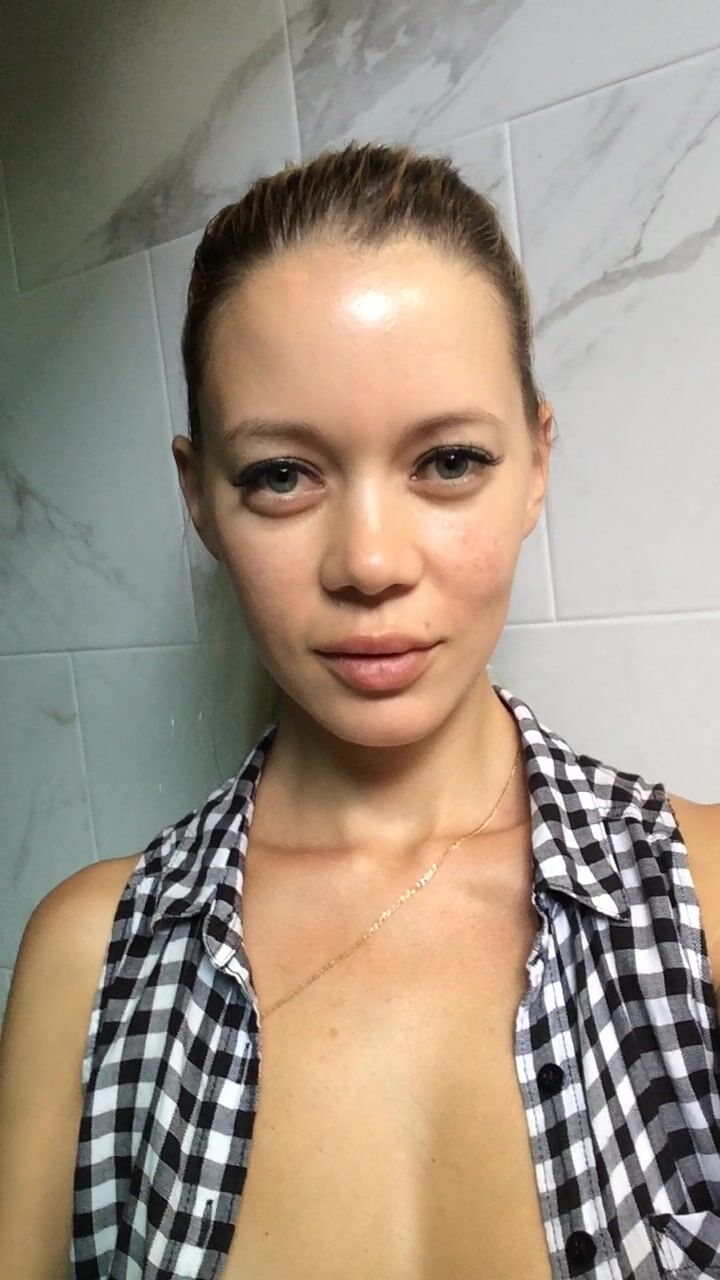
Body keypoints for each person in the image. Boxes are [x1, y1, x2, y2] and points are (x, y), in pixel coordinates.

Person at [1, 140, 719, 1280]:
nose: (371, 563)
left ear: (537, 463)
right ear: (199, 496)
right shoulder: (89, 965)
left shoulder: (705, 901)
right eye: (282, 475)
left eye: (449, 460)